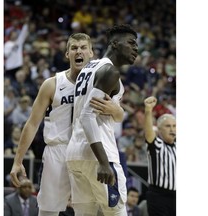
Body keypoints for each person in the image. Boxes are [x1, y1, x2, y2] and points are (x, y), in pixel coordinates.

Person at [9, 33, 123, 216]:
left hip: (88, 150)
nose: (79, 51)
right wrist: (18, 161)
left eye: (83, 47)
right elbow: (32, 124)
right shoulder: (52, 84)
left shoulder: (102, 80)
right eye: (74, 48)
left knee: (94, 209)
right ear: (67, 54)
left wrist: (115, 110)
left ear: (92, 53)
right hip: (59, 150)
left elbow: (118, 116)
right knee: (48, 211)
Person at [66, 24, 139, 216]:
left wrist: (117, 111)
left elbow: (92, 113)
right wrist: (104, 162)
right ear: (115, 44)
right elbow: (87, 117)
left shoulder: (88, 68)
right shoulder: (110, 72)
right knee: (116, 212)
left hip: (75, 154)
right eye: (131, 43)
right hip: (98, 155)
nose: (136, 48)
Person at [143, 96, 176, 216]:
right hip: (158, 196)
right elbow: (148, 133)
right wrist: (148, 111)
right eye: (168, 126)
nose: (172, 129)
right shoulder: (157, 144)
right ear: (159, 130)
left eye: (174, 126)